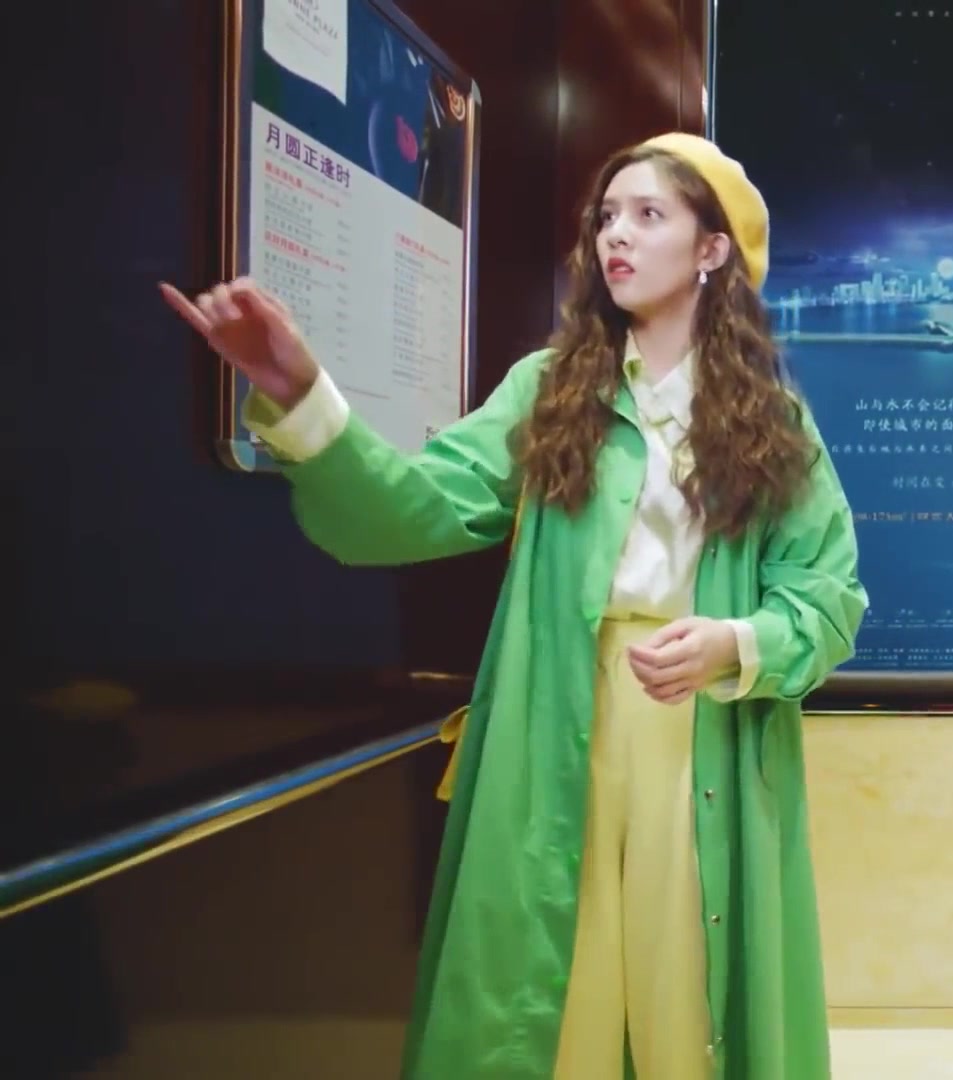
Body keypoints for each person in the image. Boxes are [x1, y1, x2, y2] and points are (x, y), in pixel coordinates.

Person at [160, 132, 866, 1079]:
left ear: (712, 250)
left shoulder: (773, 424)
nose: (616, 236)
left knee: (690, 992)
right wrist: (300, 393)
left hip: (706, 727)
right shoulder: (550, 391)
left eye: (648, 215)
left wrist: (738, 643)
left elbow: (826, 595)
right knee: (553, 988)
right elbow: (418, 505)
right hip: (555, 714)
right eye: (607, 217)